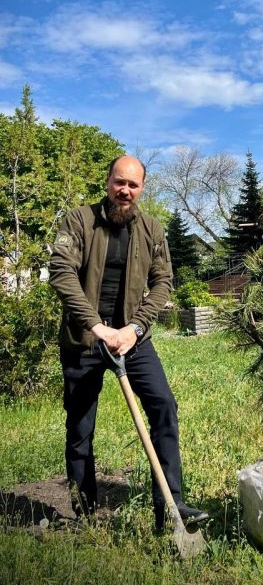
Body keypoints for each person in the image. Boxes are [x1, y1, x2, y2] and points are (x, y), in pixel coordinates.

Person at [49, 154, 208, 530]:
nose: (125, 190)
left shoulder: (152, 228)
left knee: (163, 405)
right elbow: (61, 271)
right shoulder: (78, 221)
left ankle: (170, 506)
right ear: (108, 182)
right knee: (80, 426)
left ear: (142, 188)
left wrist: (134, 328)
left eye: (133, 185)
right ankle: (84, 512)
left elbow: (163, 281)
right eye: (119, 182)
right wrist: (96, 326)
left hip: (133, 340)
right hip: (84, 341)